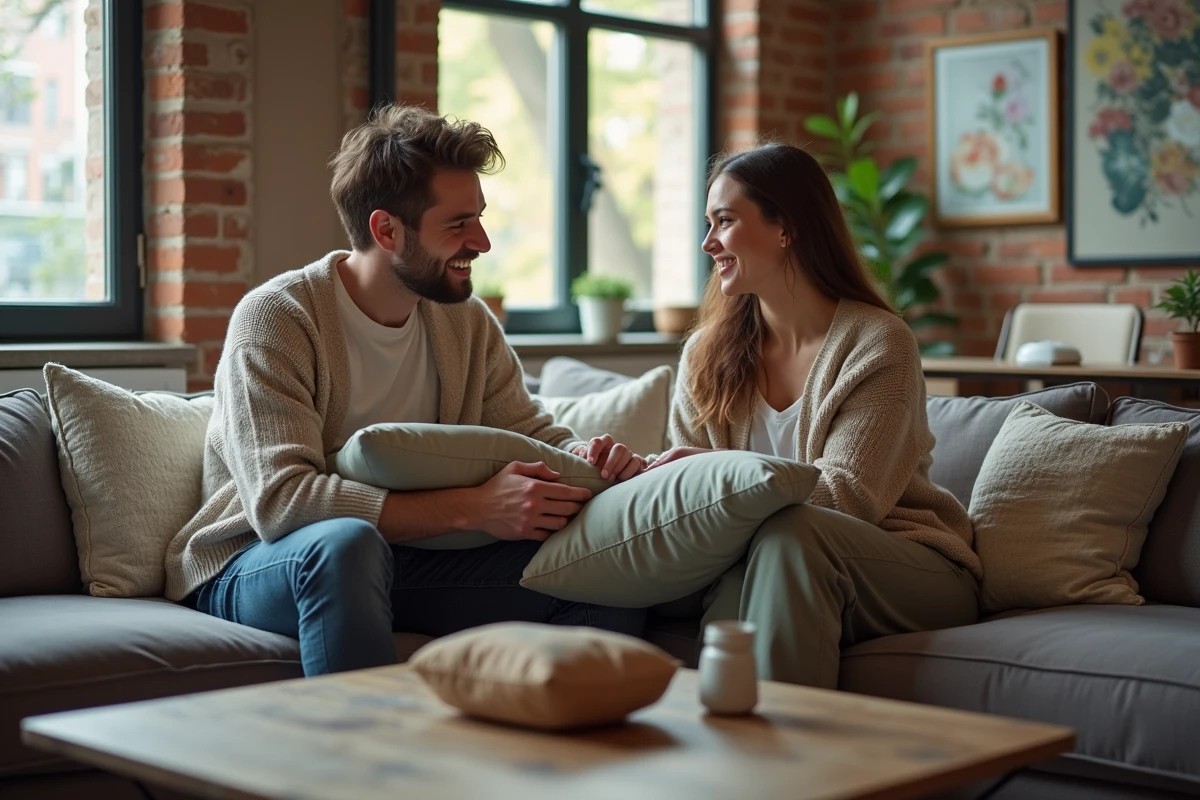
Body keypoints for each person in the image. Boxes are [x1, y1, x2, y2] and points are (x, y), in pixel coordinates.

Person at [164, 105, 647, 676]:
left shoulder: (465, 323)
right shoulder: (278, 318)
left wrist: (594, 459)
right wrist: (472, 509)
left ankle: (535, 753)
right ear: (386, 230)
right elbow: (282, 503)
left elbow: (528, 433)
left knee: (606, 576)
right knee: (345, 546)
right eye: (458, 224)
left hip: (411, 562)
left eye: (481, 218)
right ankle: (366, 757)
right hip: (255, 562)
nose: (483, 242)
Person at [644, 142, 982, 689]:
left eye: (725, 221)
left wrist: (721, 473)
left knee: (795, 533)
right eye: (708, 224)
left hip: (910, 562)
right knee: (735, 580)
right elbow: (691, 496)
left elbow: (847, 498)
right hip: (764, 558)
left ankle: (786, 761)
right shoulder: (704, 354)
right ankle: (728, 752)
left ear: (788, 228)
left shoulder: (879, 343)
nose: (708, 243)